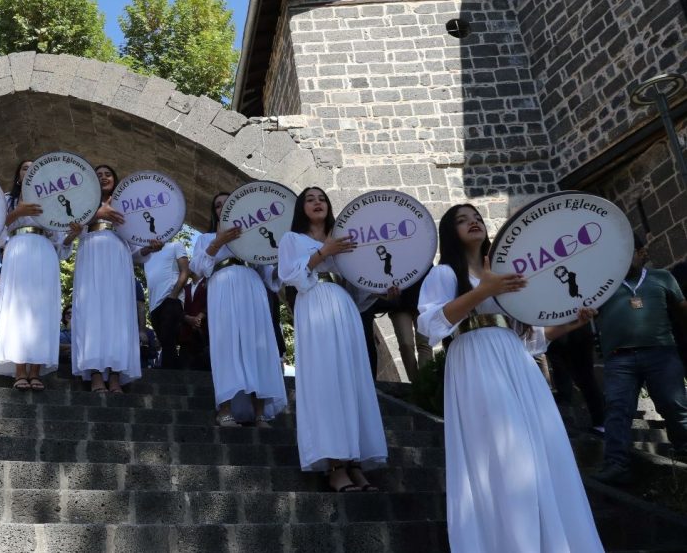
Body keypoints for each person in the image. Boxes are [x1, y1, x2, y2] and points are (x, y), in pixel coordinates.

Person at [417, 203, 603, 552]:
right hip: (473, 358)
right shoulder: (444, 274)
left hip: (515, 360)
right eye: (462, 220)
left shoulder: (506, 274)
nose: (473, 222)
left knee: (539, 450)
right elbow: (429, 326)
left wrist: (571, 323)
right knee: (504, 453)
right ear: (450, 233)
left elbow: (531, 339)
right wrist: (482, 291)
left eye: (477, 217)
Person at [278, 187, 387, 492]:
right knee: (325, 381)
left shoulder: (345, 242)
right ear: (302, 208)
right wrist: (323, 253)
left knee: (351, 380)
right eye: (310, 199)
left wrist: (379, 288)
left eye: (322, 198)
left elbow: (356, 285)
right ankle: (334, 464)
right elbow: (291, 276)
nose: (317, 203)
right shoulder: (292, 240)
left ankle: (355, 461)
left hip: (344, 307)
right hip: (314, 303)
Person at [592, 233, 687, 484]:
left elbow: (682, 313)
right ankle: (616, 464)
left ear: (642, 252)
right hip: (619, 358)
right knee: (617, 410)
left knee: (674, 404)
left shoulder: (663, 278)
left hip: (661, 353)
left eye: (628, 250)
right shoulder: (602, 285)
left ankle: (684, 449)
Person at [190, 191, 287, 427]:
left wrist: (279, 258)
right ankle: (225, 409)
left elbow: (269, 275)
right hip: (222, 286)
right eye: (218, 205)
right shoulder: (205, 239)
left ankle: (260, 412)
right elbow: (198, 268)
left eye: (227, 203)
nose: (222, 208)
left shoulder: (253, 238)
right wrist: (218, 242)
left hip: (251, 287)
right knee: (227, 345)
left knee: (257, 346)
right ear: (214, 213)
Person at [70, 164, 159, 393]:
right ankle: (97, 374)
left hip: (119, 261)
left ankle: (116, 375)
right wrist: (96, 214)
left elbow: (136, 252)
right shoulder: (82, 205)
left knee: (118, 316)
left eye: (107, 174)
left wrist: (150, 249)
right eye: (98, 175)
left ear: (115, 179)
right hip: (91, 256)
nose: (103, 178)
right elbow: (69, 233)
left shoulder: (127, 209)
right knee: (93, 313)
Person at [0, 160, 73, 390]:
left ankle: (35, 371)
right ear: (18, 176)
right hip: (17, 249)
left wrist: (72, 234)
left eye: (35, 167)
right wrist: (17, 213)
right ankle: (19, 371)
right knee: (16, 307)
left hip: (44, 252)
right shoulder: (7, 200)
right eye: (26, 168)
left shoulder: (53, 202)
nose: (30, 170)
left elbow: (60, 243)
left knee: (41, 310)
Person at [143, 239, 189, 369]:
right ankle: (173, 377)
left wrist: (173, 295)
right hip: (154, 305)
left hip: (171, 300)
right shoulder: (147, 253)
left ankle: (170, 379)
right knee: (165, 342)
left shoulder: (176, 245)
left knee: (168, 340)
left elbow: (185, 271)